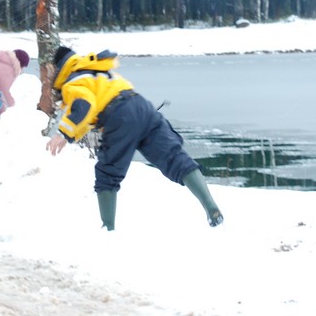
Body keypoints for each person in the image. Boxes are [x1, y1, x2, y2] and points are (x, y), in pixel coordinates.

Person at [45, 46, 223, 230]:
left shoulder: (72, 83)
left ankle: (108, 230)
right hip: (142, 106)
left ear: (59, 68)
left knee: (107, 173)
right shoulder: (96, 70)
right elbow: (88, 115)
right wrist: (70, 136)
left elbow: (84, 106)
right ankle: (211, 208)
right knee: (175, 158)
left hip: (119, 115)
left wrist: (63, 133)